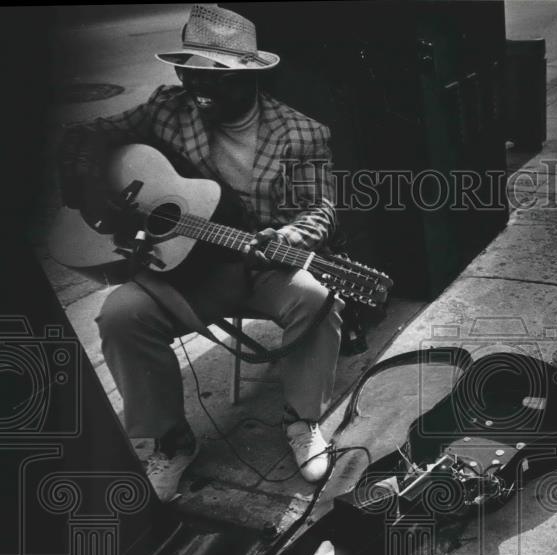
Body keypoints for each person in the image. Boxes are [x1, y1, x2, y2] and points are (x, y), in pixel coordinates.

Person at [57, 5, 344, 501]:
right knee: (121, 315)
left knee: (318, 300)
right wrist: (93, 192)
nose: (197, 85)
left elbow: (318, 209)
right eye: (188, 70)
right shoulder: (167, 106)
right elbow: (88, 133)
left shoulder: (300, 133)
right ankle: (171, 440)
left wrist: (291, 237)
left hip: (256, 261)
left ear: (252, 77)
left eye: (216, 75)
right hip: (182, 268)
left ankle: (302, 420)